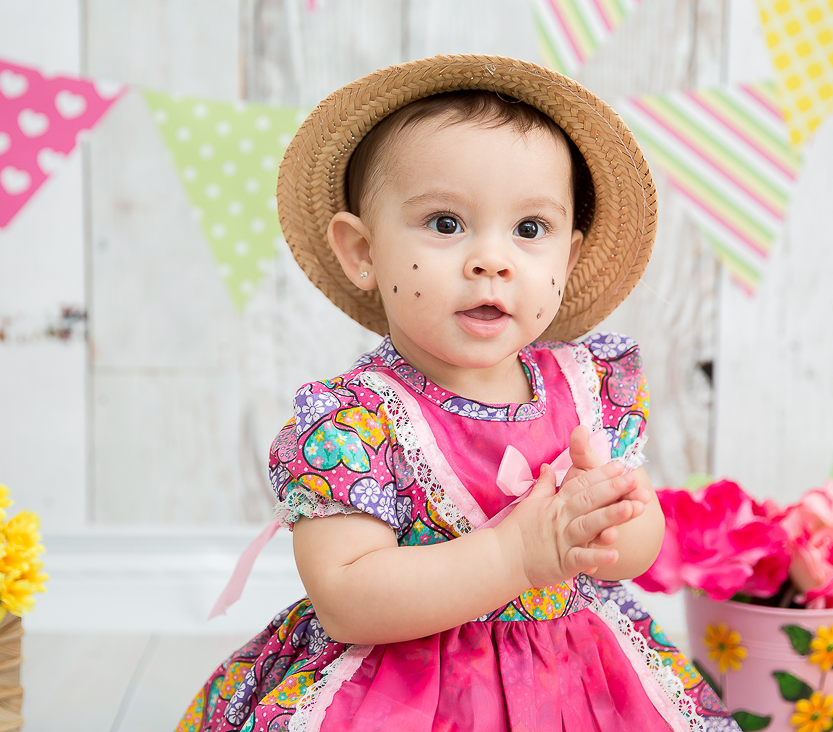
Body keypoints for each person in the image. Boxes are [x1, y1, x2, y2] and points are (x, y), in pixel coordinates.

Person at [177, 55, 737, 732]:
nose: (492, 260)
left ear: (569, 257)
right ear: (363, 252)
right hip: (406, 693)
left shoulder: (587, 390)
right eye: (446, 224)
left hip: (575, 680)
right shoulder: (356, 424)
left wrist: (607, 526)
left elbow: (637, 546)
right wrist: (514, 556)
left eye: (530, 230)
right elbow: (346, 597)